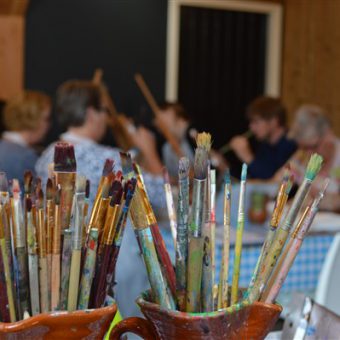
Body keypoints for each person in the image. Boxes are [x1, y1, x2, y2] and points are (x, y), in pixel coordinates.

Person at [35, 80, 166, 317]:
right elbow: (163, 196)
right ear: (90, 113)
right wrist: (149, 151)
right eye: (104, 110)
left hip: (64, 266)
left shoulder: (46, 154)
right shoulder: (106, 158)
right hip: (115, 264)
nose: (107, 118)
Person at [282, 104, 340, 211]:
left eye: (312, 146)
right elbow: (275, 186)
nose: (309, 154)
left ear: (328, 135)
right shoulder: (301, 156)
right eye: (303, 147)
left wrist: (318, 203)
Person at [230, 96, 297, 179]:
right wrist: (222, 165)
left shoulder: (292, 145)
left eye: (256, 122)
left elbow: (272, 182)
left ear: (274, 121)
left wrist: (247, 157)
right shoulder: (265, 145)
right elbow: (251, 178)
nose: (251, 127)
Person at [0, 90, 51, 186]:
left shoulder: (3, 147)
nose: (48, 125)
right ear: (32, 119)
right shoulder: (25, 156)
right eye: (46, 119)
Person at [157, 102, 195, 178]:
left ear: (182, 120)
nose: (160, 122)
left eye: (166, 116)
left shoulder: (193, 137)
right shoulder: (166, 148)